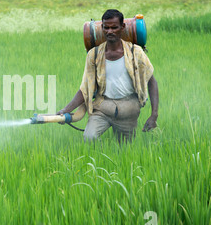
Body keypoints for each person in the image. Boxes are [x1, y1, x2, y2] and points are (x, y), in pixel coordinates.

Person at [57, 9, 159, 143]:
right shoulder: (94, 55)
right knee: (90, 138)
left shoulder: (136, 53)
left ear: (122, 27)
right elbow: (85, 89)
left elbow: (151, 82)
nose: (110, 31)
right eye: (106, 27)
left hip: (128, 109)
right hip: (102, 107)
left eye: (114, 27)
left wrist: (154, 115)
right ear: (102, 28)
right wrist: (65, 110)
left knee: (125, 150)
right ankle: (99, 161)